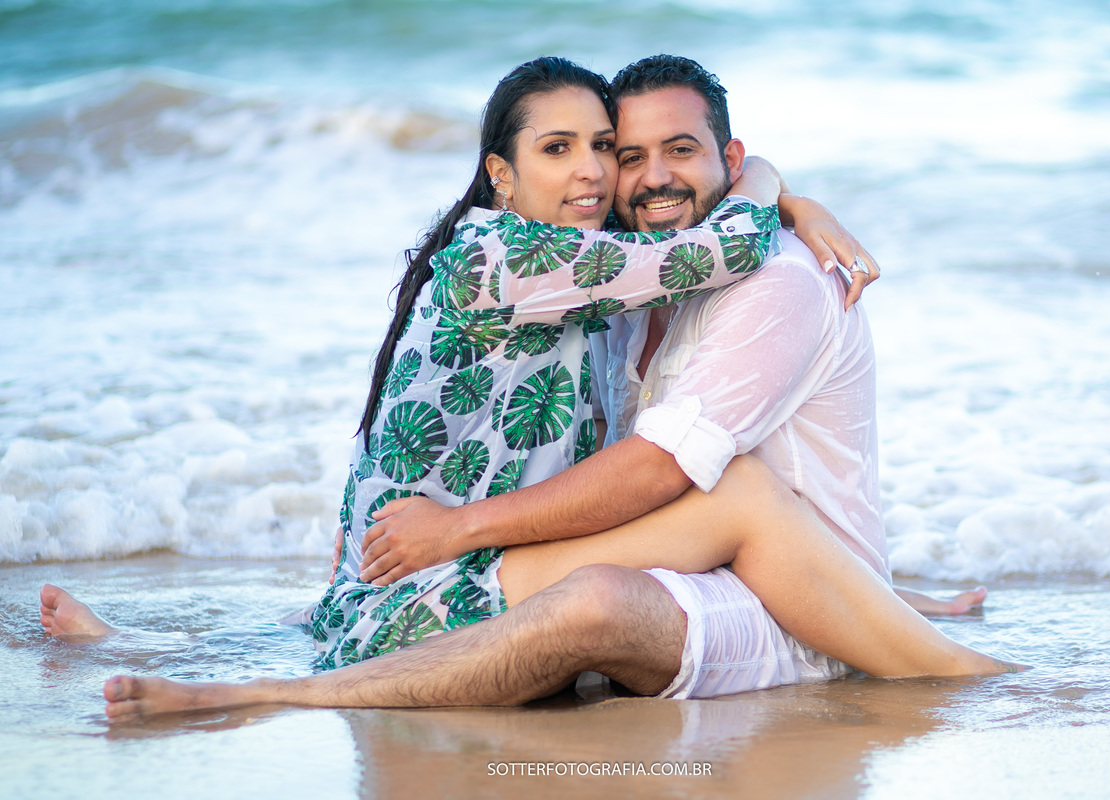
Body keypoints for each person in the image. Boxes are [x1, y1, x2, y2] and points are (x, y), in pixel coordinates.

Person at [45, 56, 1015, 718]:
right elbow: (711, 247)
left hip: (435, 554)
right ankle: (246, 693)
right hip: (436, 562)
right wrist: (769, 180)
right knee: (732, 494)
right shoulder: (518, 256)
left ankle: (144, 643)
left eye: (607, 146)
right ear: (500, 175)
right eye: (572, 150)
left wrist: (767, 182)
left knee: (344, 614)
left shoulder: (600, 268)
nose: (600, 171)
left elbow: (695, 256)